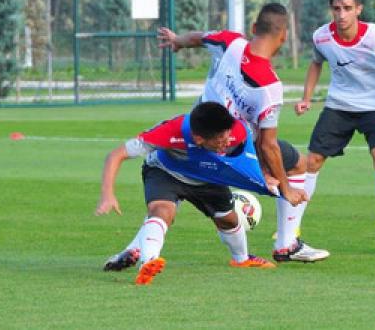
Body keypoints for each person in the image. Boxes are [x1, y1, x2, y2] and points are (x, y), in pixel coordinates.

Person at [156, 3, 329, 263]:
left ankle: (140, 247)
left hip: (194, 136)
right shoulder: (269, 86)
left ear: (253, 28)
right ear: (283, 37)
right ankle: (286, 245)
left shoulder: (230, 42)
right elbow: (267, 145)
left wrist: (177, 41)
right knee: (297, 164)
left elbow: (197, 37)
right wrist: (284, 187)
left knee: (173, 188)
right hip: (233, 150)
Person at [96, 102, 276, 285]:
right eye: (220, 140)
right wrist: (107, 194)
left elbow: (255, 153)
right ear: (198, 139)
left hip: (206, 175)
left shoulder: (234, 131)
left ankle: (242, 259)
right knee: (162, 210)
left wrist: (265, 176)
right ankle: (148, 261)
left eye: (227, 135)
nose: (227, 141)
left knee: (228, 219)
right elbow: (116, 155)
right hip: (166, 171)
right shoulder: (169, 132)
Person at [294, 0, 375, 243]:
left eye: (347, 8)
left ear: (359, 9)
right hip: (340, 104)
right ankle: (293, 226)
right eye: (336, 8)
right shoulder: (321, 36)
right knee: (311, 161)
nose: (341, 14)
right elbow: (315, 63)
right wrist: (306, 98)